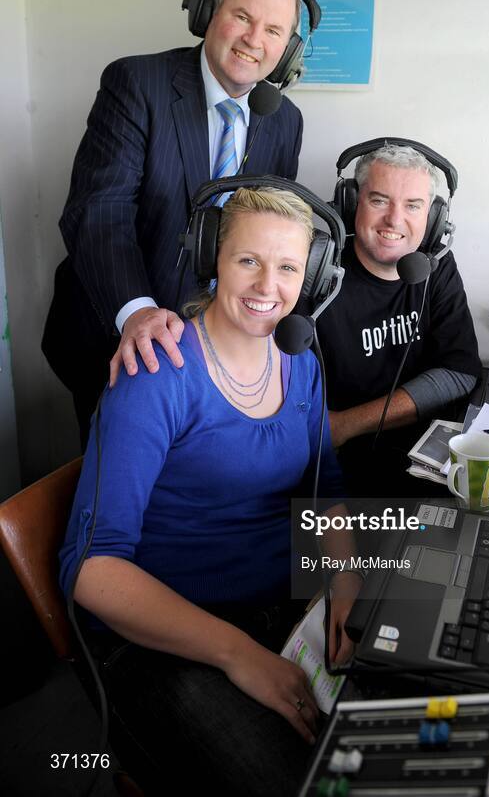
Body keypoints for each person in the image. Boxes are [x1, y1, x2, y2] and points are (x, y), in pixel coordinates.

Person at [59, 187, 360, 797]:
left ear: (315, 276)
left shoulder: (299, 358)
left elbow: (328, 490)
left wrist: (347, 586)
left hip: (283, 613)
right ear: (210, 259)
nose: (266, 286)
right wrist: (237, 654)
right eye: (248, 260)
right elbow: (90, 570)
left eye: (288, 268)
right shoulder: (154, 376)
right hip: (169, 642)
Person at [43, 0, 309, 447]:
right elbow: (98, 211)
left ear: (288, 51)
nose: (255, 40)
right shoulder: (137, 83)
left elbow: (272, 237)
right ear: (208, 13)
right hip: (117, 335)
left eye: (273, 31)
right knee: (122, 491)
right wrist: (138, 311)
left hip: (216, 353)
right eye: (242, 17)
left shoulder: (284, 120)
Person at [315, 143, 481, 497]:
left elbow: (460, 371)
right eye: (379, 200)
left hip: (426, 463)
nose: (394, 219)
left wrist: (347, 423)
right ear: (350, 202)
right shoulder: (316, 274)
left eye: (413, 206)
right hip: (339, 468)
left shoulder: (436, 265)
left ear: (433, 218)